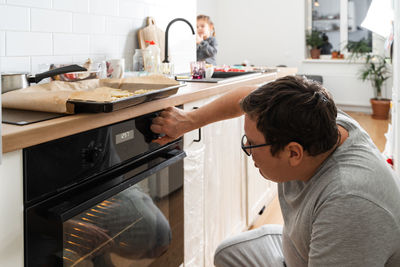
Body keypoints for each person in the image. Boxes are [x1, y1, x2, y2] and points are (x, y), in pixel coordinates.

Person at [151, 76, 400, 266]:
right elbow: (244, 98)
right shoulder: (318, 119)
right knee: (228, 254)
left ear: (293, 153)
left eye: (252, 143)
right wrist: (189, 121)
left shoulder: (349, 204)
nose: (248, 150)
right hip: (300, 246)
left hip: (330, 247)